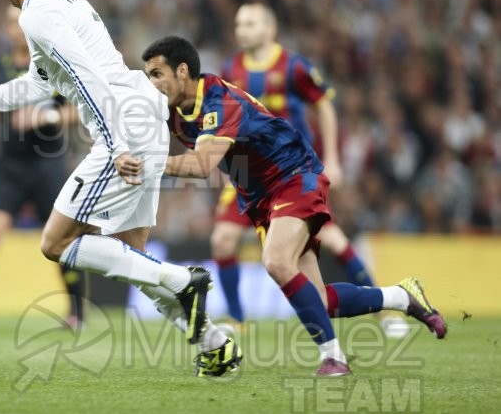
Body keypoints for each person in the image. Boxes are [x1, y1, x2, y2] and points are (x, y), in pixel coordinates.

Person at [0, 0, 239, 377]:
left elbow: (88, 77)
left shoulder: (38, 13)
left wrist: (116, 146)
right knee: (132, 257)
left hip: (123, 125)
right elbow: (37, 83)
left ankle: (181, 278)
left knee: (55, 242)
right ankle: (213, 341)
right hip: (139, 110)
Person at [142, 35, 446, 376]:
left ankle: (334, 358)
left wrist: (147, 161)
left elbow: (201, 166)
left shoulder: (219, 101)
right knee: (321, 301)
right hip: (258, 197)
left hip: (293, 175)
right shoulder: (170, 109)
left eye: (156, 73)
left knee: (276, 260)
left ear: (182, 71)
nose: (151, 83)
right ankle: (402, 297)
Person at [213, 3, 407, 334]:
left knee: (332, 239)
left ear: (270, 29)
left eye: (250, 23)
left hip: (292, 172)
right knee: (222, 240)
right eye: (238, 23)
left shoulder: (293, 67)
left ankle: (386, 312)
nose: (241, 29)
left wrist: (332, 156)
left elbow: (324, 106)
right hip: (247, 173)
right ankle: (237, 319)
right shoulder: (231, 69)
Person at [0, 6, 86, 329]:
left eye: (21, 23)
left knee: (61, 242)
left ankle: (77, 313)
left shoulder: (54, 64)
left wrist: (46, 116)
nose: (17, 29)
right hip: (9, 166)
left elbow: (79, 110)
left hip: (48, 164)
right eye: (11, 24)